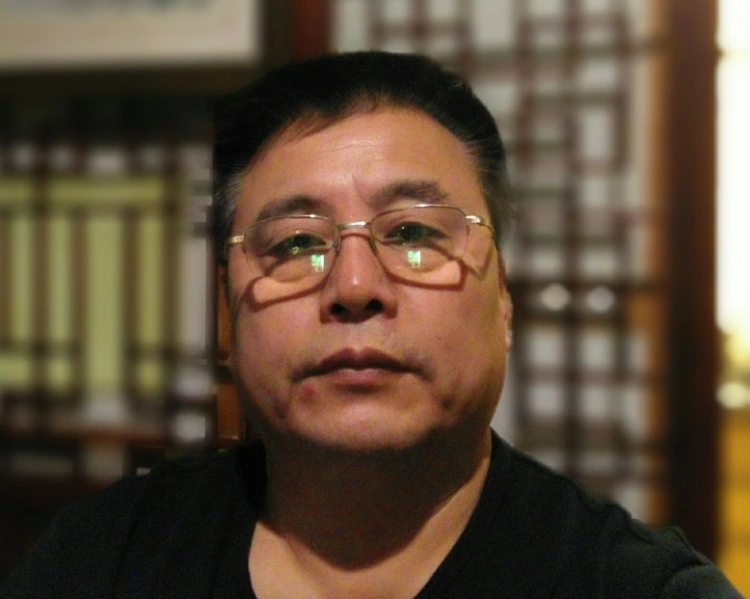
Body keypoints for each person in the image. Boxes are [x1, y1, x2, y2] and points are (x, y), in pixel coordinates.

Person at [1, 51, 742, 598]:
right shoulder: (101, 560)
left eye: (414, 233)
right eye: (296, 243)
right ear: (227, 317)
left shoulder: (638, 589)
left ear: (504, 301)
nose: (354, 287)